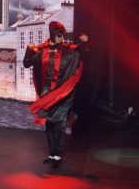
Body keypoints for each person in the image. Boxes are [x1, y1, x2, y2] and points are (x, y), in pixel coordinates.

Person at [22, 21, 90, 168]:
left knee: (59, 123)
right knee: (49, 124)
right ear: (53, 34)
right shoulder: (41, 50)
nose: (61, 38)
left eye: (62, 35)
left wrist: (85, 43)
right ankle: (52, 154)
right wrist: (29, 50)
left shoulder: (68, 51)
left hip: (62, 93)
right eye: (59, 35)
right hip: (47, 93)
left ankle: (57, 155)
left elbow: (84, 55)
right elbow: (27, 64)